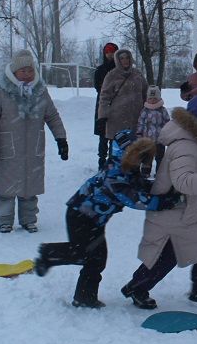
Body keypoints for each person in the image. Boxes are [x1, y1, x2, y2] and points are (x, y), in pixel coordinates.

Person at [34, 130, 180, 308]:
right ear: (127, 154)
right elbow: (134, 199)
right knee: (84, 254)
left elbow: (140, 186)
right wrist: (164, 201)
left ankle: (84, 297)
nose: (141, 161)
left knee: (96, 259)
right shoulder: (115, 175)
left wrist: (162, 189)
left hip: (94, 220)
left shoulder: (127, 169)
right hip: (81, 216)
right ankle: (49, 254)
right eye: (139, 156)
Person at [120, 94, 197, 310]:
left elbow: (195, 165)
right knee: (166, 256)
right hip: (172, 208)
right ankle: (137, 286)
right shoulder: (185, 145)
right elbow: (183, 180)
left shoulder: (193, 140)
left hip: (187, 207)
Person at [0, 49, 68, 233]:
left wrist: (61, 139)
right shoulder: (1, 91)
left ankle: (28, 219)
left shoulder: (41, 91)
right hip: (7, 147)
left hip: (32, 147)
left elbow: (52, 116)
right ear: (14, 72)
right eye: (23, 71)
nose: (27, 75)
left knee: (30, 185)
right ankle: (5, 219)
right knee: (6, 187)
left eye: (30, 70)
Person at [97, 48, 147, 139]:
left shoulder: (137, 74)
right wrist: (102, 116)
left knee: (137, 149)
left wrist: (150, 110)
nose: (125, 60)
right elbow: (104, 97)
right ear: (117, 60)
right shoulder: (111, 75)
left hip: (137, 118)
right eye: (122, 58)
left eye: (127, 57)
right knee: (118, 149)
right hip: (117, 119)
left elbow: (146, 93)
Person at [135, 84, 171, 177]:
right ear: (147, 99)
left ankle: (159, 172)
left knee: (160, 157)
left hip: (160, 140)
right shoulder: (145, 111)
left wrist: (167, 134)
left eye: (155, 98)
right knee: (147, 157)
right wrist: (139, 133)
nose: (152, 100)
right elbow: (140, 123)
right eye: (150, 98)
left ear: (159, 98)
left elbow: (167, 123)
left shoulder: (162, 110)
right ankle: (145, 172)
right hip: (147, 140)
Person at [93, 42, 118, 169]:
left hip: (118, 106)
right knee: (103, 136)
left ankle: (113, 161)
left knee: (115, 135)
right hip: (103, 105)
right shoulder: (100, 70)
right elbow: (98, 88)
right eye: (107, 51)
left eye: (112, 51)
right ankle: (102, 162)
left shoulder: (119, 70)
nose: (110, 54)